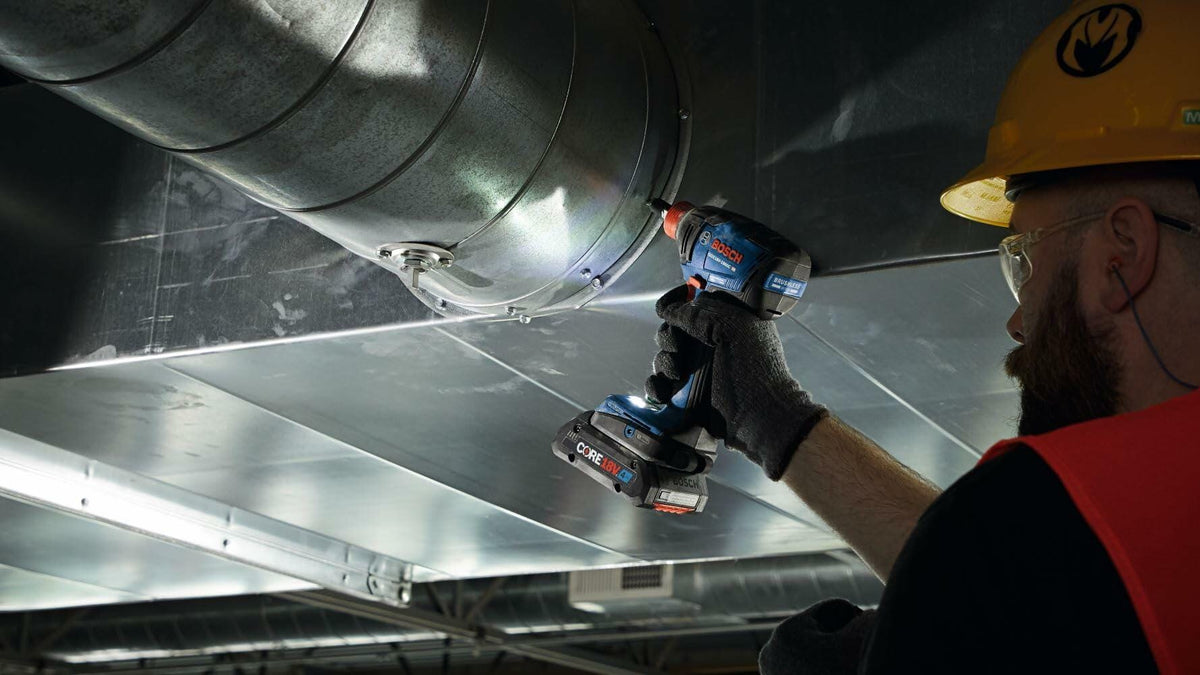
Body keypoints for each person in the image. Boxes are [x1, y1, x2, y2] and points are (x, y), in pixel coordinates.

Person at [646, 2, 1200, 672]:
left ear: (1124, 251)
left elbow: (1016, 560)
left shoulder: (1044, 512)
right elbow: (1035, 575)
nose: (1018, 321)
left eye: (1025, 257)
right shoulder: (1107, 541)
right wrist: (771, 416)